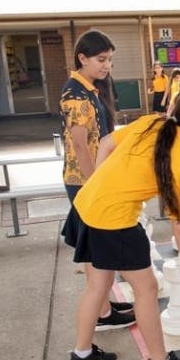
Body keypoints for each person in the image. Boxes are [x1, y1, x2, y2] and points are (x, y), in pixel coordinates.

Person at [62, 84, 180, 360]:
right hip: (114, 221)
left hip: (86, 204)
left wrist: (102, 184)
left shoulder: (153, 122)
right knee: (146, 289)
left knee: (98, 285)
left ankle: (81, 355)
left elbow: (107, 143)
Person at [59, 30, 135, 332]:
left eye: (110, 60)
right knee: (94, 250)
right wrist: (96, 186)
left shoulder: (88, 88)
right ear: (82, 58)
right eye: (101, 59)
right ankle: (102, 313)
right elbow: (80, 146)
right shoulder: (75, 94)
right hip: (85, 182)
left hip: (92, 179)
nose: (107, 66)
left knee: (95, 248)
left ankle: (104, 305)